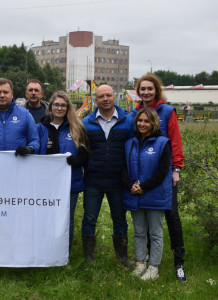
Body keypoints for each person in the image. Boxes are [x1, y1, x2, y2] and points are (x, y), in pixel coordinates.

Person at [133, 73, 187, 281]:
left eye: (149, 89)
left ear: (156, 90)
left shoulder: (166, 111)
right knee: (146, 217)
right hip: (143, 175)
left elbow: (175, 141)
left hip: (165, 175)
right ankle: (148, 257)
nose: (146, 92)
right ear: (138, 92)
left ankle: (179, 261)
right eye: (142, 89)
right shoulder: (136, 112)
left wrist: (176, 169)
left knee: (172, 216)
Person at [81, 84, 134, 266]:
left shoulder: (127, 122)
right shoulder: (86, 123)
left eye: (108, 95)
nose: (105, 99)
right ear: (96, 100)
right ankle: (89, 258)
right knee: (89, 218)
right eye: (101, 96)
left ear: (114, 98)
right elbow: (81, 150)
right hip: (93, 180)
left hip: (118, 180)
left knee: (120, 218)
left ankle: (122, 257)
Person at [122, 107, 172, 280]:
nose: (142, 124)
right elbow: (123, 169)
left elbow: (163, 171)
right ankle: (140, 263)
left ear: (154, 123)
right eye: (140, 121)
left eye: (146, 121)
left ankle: (154, 268)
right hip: (135, 195)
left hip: (154, 195)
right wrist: (130, 186)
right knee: (139, 232)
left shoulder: (163, 142)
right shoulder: (129, 143)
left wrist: (144, 186)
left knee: (156, 233)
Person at [37, 91, 88, 254]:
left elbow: (85, 154)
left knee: (67, 219)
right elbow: (35, 152)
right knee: (45, 218)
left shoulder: (77, 127)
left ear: (68, 107)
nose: (59, 108)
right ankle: (46, 251)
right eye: (56, 104)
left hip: (69, 182)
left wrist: (77, 160)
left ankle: (64, 252)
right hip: (45, 183)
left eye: (63, 105)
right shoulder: (40, 127)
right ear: (50, 106)